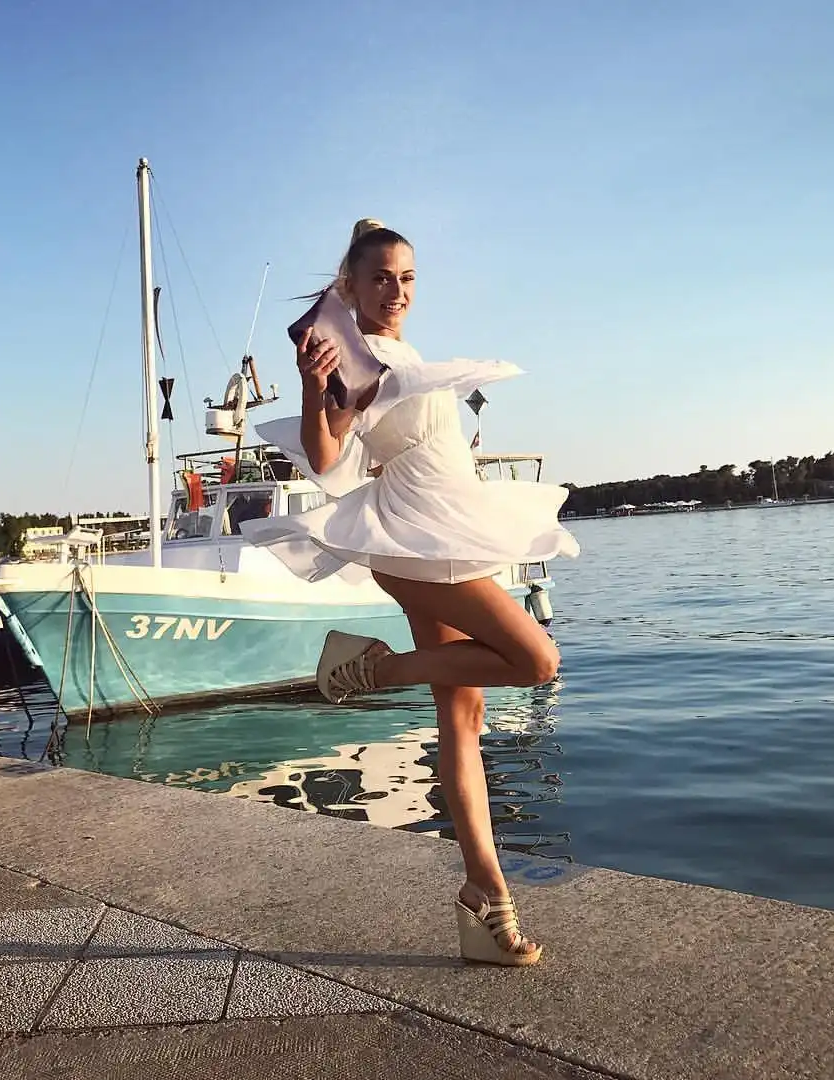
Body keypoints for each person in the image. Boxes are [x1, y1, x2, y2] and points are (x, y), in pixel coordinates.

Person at [252, 220, 579, 966]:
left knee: (464, 718)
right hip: (416, 541)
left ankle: (485, 897)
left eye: (406, 278)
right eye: (380, 279)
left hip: (445, 533)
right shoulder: (357, 359)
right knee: (537, 660)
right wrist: (311, 387)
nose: (396, 292)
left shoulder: (405, 354)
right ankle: (370, 669)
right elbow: (326, 456)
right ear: (350, 285)